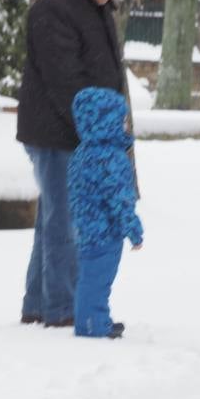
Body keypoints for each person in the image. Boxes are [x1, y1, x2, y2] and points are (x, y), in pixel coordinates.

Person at [15, 0, 132, 327]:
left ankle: (37, 304)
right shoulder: (57, 8)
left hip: (77, 131)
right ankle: (62, 309)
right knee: (66, 221)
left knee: (54, 217)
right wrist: (96, 131)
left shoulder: (91, 3)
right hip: (58, 132)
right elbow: (65, 82)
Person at [67, 87, 142, 338]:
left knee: (92, 277)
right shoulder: (111, 158)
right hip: (105, 231)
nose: (124, 125)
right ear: (106, 122)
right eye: (120, 120)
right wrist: (134, 229)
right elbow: (120, 198)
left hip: (87, 227)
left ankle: (96, 319)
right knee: (97, 281)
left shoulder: (82, 152)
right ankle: (91, 325)